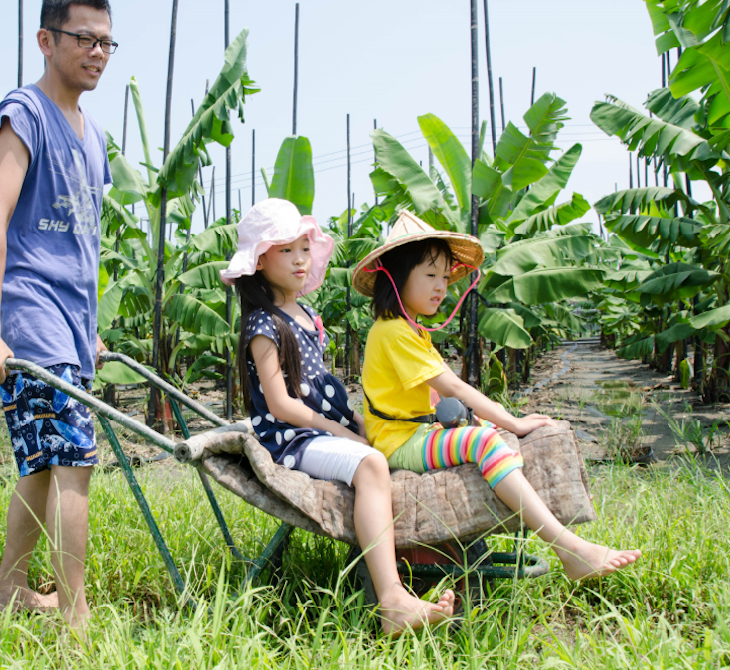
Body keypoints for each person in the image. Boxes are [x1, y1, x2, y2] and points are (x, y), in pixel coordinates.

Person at [352, 210, 641, 623]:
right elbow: (453, 386)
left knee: (486, 431)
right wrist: (513, 422)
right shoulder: (394, 330)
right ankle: (569, 550)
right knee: (487, 439)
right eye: (430, 275)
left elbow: (434, 395)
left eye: (446, 277)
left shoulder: (409, 328)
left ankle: (563, 543)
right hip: (399, 440)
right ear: (397, 279)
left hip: (416, 430)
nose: (442, 286)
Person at [220, 198, 456, 637]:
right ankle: (393, 601)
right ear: (259, 261)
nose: (298, 259)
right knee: (370, 463)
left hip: (322, 429)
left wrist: (359, 425)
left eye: (303, 249)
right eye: (285, 250)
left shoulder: (307, 314)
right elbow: (282, 405)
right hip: (291, 438)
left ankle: (417, 562)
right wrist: (342, 433)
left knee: (387, 448)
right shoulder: (262, 325)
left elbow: (323, 386)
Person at [0, 0, 114, 627]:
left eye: (108, 42)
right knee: (74, 462)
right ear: (46, 40)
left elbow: (83, 244)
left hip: (70, 329)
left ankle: (6, 595)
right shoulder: (24, 114)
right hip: (28, 318)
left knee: (44, 464)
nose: (98, 52)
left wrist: (92, 331)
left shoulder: (95, 138)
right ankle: (74, 620)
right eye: (84, 38)